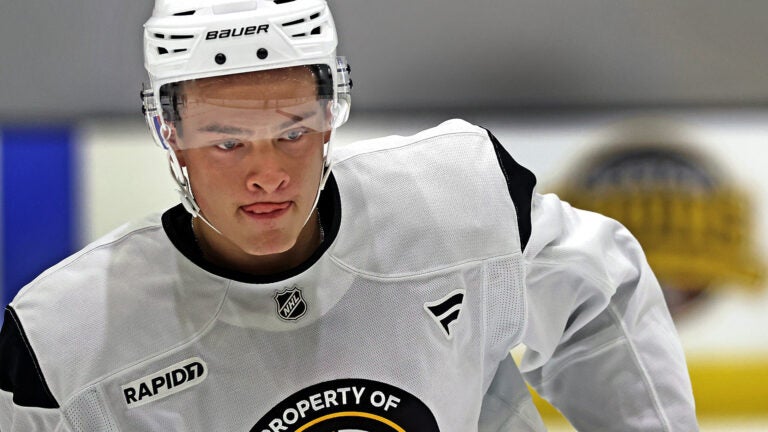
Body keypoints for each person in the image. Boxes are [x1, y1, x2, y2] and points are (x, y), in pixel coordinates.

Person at [0, 0, 698, 430]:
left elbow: (599, 293)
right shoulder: (69, 341)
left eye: (293, 131)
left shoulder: (454, 205)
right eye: (226, 142)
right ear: (170, 135)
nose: (267, 172)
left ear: (333, 118)